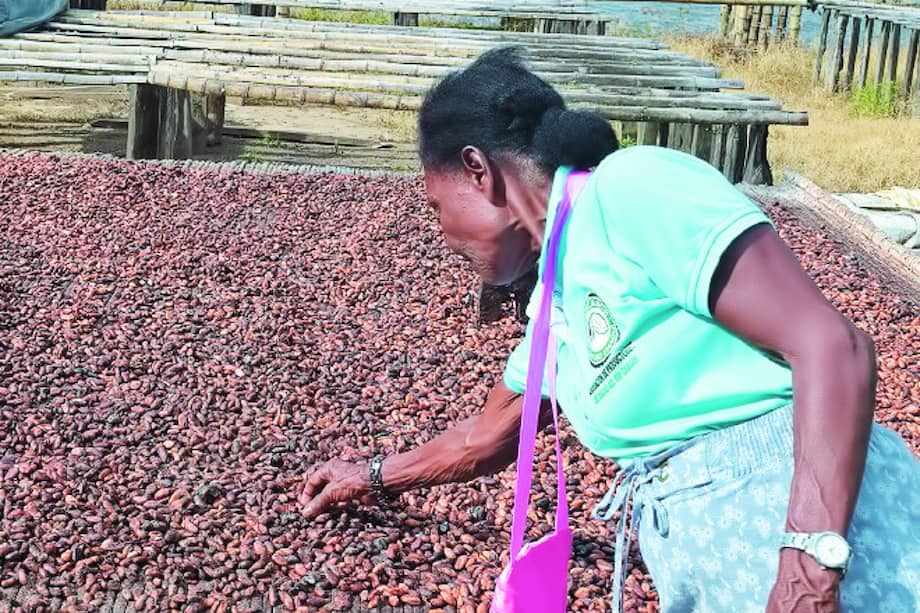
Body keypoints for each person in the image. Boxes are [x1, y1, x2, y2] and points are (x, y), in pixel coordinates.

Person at [299, 47, 919, 612]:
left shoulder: (630, 188)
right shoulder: (555, 297)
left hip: (821, 526)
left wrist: (808, 570)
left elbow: (832, 346)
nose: (442, 235)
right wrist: (373, 476)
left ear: (478, 170)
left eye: (436, 206)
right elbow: (486, 439)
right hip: (715, 554)